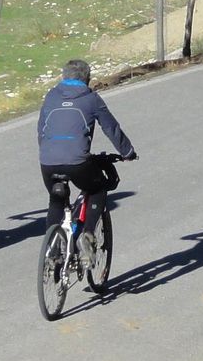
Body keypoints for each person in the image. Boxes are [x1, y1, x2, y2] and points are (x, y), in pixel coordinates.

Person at [38, 59, 136, 245]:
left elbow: (41, 130)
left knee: (56, 199)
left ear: (63, 77)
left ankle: (52, 249)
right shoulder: (91, 98)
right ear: (87, 79)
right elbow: (111, 128)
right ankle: (88, 234)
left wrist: (49, 151)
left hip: (47, 160)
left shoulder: (51, 96)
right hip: (77, 161)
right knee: (97, 188)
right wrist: (127, 151)